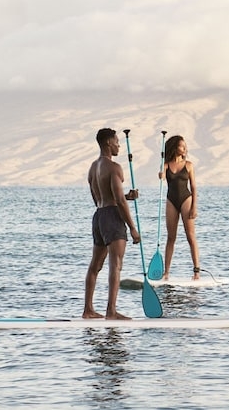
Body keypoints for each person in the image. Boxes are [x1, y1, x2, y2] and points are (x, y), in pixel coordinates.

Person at [83, 127, 141, 320]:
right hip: (112, 219)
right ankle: (111, 311)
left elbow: (101, 198)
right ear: (108, 142)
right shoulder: (114, 168)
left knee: (95, 266)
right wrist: (133, 228)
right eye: (117, 141)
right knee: (115, 265)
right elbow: (119, 200)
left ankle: (88, 310)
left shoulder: (93, 168)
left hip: (99, 216)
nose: (118, 145)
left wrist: (126, 196)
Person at [158, 134, 201, 280]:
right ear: (174, 148)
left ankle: (196, 271)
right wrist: (161, 174)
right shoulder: (166, 164)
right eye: (181, 146)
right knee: (171, 237)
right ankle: (166, 273)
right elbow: (162, 176)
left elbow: (194, 187)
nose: (185, 148)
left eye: (185, 146)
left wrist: (194, 206)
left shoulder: (188, 165)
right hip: (171, 200)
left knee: (190, 236)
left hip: (186, 199)